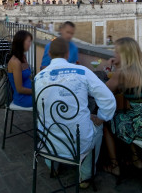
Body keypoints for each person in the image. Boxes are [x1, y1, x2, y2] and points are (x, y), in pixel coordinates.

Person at [34, 38, 116, 186]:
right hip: (79, 143)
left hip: (49, 141)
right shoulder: (82, 72)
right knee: (97, 126)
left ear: (49, 53)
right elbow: (108, 100)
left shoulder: (38, 77)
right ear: (67, 53)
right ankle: (85, 176)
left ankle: (53, 166)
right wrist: (101, 118)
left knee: (47, 121)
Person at [102, 38, 142, 176]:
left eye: (116, 52)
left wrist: (109, 66)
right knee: (126, 115)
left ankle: (115, 166)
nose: (114, 55)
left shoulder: (122, 73)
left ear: (124, 55)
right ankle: (136, 159)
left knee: (106, 121)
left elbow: (103, 91)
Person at [6, 30, 33, 108]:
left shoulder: (23, 57)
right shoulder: (15, 62)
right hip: (23, 98)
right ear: (21, 42)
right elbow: (19, 89)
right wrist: (36, 92)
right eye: (29, 41)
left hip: (29, 92)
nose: (30, 44)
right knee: (48, 99)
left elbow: (28, 77)